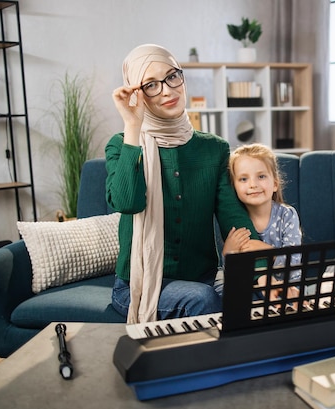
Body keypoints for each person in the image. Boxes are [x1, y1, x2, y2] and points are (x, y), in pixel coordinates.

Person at [106, 44, 261, 324]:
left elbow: (234, 220)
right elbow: (127, 202)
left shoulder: (214, 149)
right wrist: (132, 125)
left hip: (202, 280)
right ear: (136, 93)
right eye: (151, 84)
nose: (167, 90)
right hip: (138, 288)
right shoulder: (122, 145)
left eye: (172, 77)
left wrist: (265, 275)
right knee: (202, 300)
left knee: (253, 294)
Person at [222, 143, 302, 302]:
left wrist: (267, 250)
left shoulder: (286, 215)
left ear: (275, 184)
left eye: (261, 176)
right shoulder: (234, 219)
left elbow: (294, 261)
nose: (253, 184)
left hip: (288, 286)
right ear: (234, 187)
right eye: (243, 179)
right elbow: (232, 274)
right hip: (252, 291)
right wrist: (228, 253)